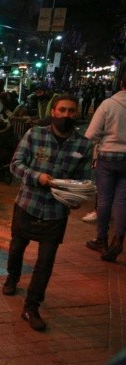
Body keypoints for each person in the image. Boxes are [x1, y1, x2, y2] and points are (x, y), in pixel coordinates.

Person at [3, 95, 93, 331]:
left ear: (77, 114)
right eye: (61, 110)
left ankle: (32, 306)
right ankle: (12, 277)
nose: (66, 115)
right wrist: (37, 177)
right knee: (17, 246)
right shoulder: (34, 135)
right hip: (28, 203)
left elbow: (85, 180)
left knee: (46, 262)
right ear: (53, 111)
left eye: (71, 111)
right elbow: (16, 164)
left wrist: (76, 197)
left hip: (56, 211)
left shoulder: (84, 145)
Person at [84, 75, 126, 262]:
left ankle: (101, 239)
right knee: (122, 200)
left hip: (108, 156)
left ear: (121, 84)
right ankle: (119, 239)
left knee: (104, 198)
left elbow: (91, 134)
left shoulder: (108, 104)